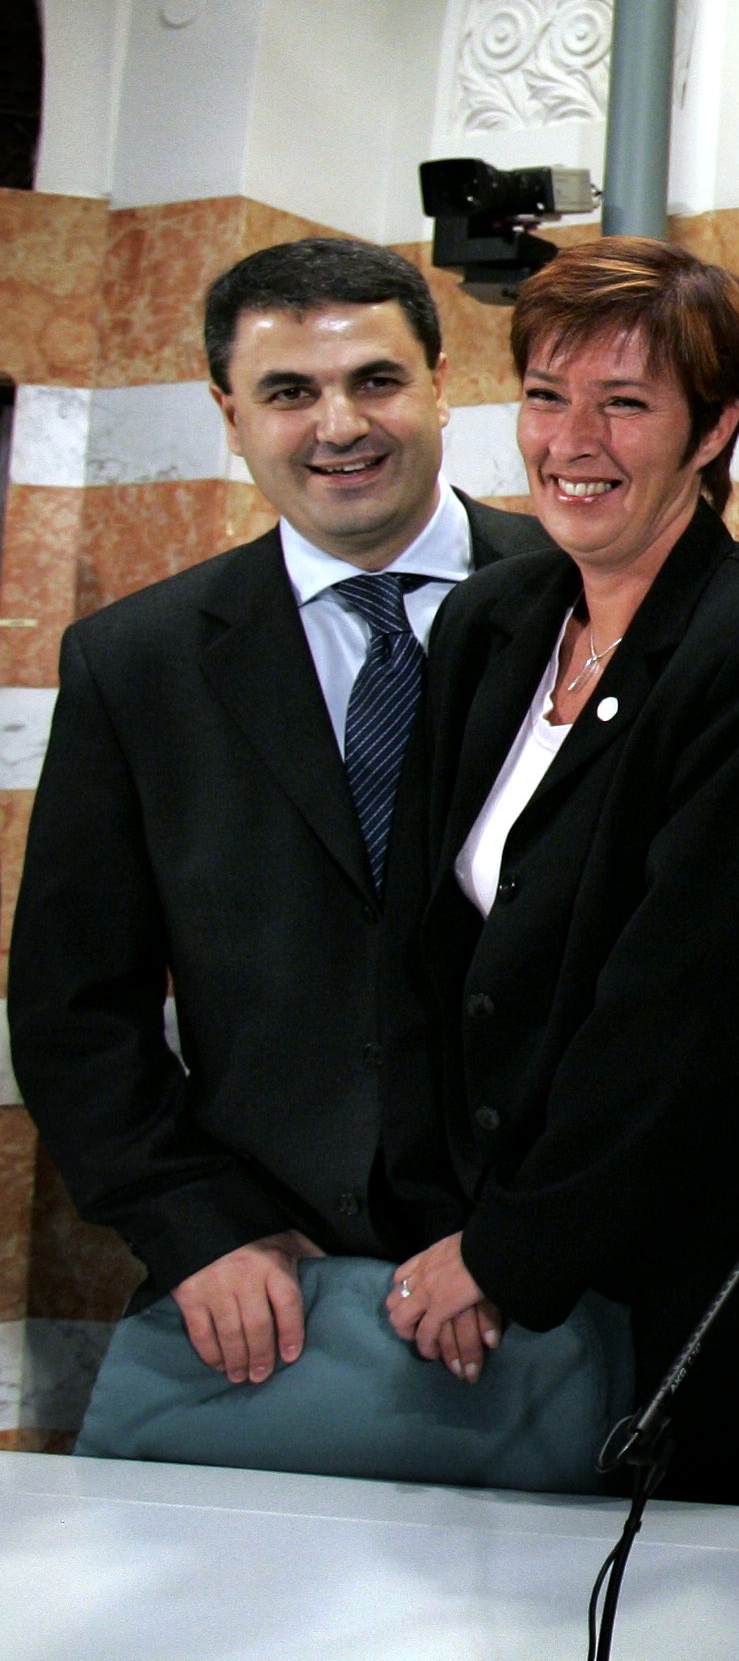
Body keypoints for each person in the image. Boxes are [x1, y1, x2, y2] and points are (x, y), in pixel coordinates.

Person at [375, 238, 739, 1508]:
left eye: (625, 403)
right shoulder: (489, 621)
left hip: (687, 1286)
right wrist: (440, 1220)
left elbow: (687, 1008)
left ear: (716, 428)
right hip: (485, 1252)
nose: (571, 441)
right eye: (546, 396)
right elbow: (425, 947)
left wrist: (507, 1251)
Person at [9, 239, 542, 1390]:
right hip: (273, 1280)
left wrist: (536, 1231)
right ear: (230, 414)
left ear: (442, 384)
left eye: (376, 381)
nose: (338, 426)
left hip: (565, 1272)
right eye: (289, 392)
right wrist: (196, 1225)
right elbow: (73, 1004)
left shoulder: (590, 605)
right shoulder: (136, 664)